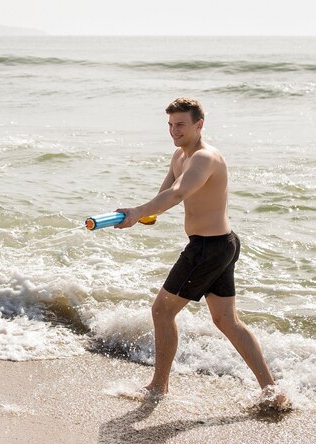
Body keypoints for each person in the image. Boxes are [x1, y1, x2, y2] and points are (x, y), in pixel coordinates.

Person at [115, 98, 288, 409]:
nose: (174, 131)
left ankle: (158, 388)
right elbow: (165, 196)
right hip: (221, 245)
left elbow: (180, 193)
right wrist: (138, 215)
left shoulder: (204, 158)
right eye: (170, 125)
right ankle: (272, 392)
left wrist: (138, 211)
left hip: (208, 249)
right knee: (226, 320)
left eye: (180, 124)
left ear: (199, 124)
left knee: (162, 312)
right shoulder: (180, 156)